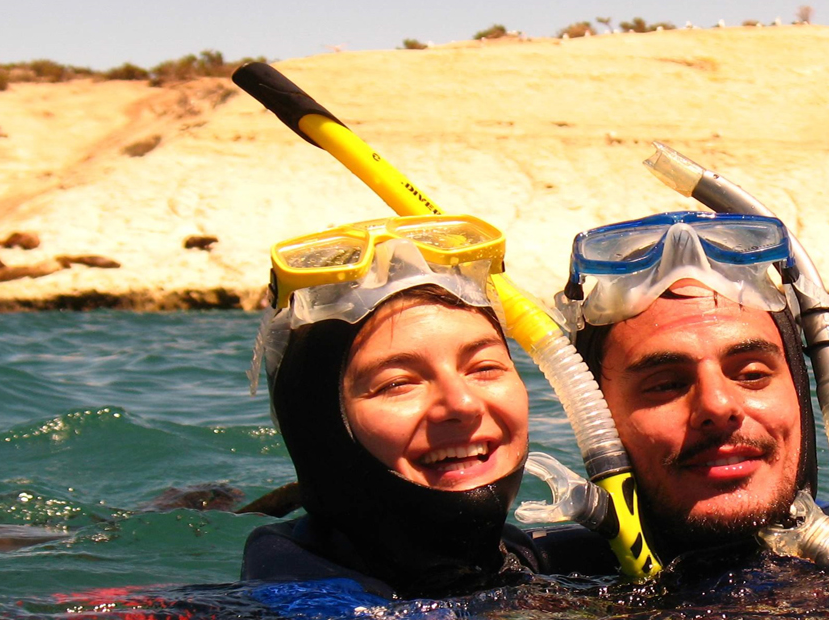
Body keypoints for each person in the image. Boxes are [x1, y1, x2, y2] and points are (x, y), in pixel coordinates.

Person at [242, 215, 608, 600]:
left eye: (484, 368)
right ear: (319, 426)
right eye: (397, 383)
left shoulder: (557, 563)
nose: (463, 403)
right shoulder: (288, 608)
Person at [562, 211, 829, 569]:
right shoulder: (543, 579)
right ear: (593, 415)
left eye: (751, 375)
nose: (718, 405)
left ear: (799, 391)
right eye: (666, 385)